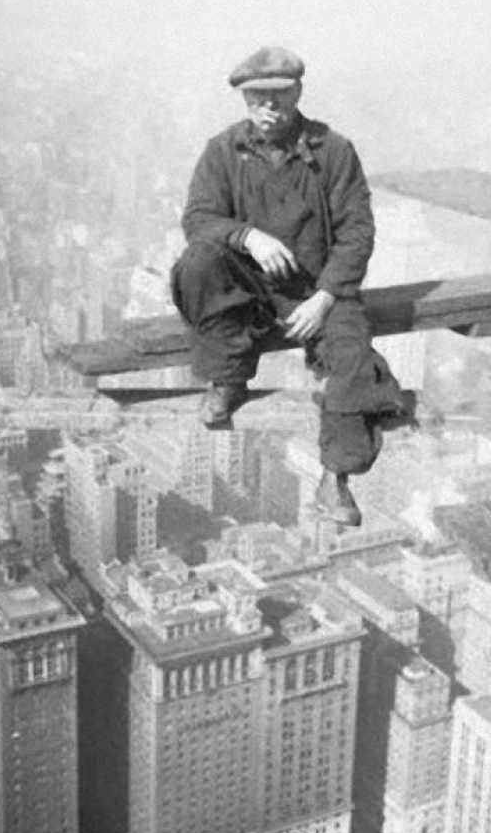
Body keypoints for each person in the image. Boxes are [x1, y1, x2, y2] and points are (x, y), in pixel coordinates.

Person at [171, 46, 405, 527]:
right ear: (244, 99)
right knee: (197, 265)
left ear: (298, 93)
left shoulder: (333, 152)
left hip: (317, 289)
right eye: (257, 98)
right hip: (250, 288)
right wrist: (247, 236)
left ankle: (335, 478)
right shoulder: (224, 151)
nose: (268, 110)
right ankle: (228, 379)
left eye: (278, 98)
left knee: (352, 355)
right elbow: (198, 219)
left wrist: (324, 298)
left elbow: (357, 232)